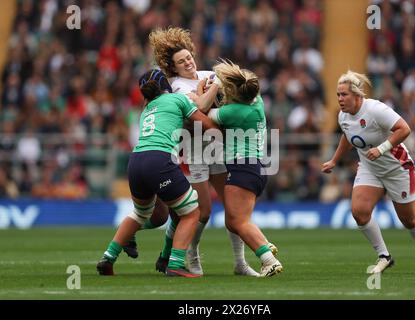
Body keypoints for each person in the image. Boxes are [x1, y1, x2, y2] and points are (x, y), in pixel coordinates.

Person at [126, 27, 274, 277]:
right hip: (193, 149)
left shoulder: (207, 74)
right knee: (201, 210)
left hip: (218, 148)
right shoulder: (176, 86)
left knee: (232, 209)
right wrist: (212, 91)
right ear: (172, 68)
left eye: (188, 57)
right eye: (181, 61)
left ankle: (239, 263)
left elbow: (237, 95)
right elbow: (200, 110)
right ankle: (189, 256)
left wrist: (210, 91)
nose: (188, 62)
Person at [96, 69, 218, 277]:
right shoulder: (177, 99)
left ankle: (108, 257)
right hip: (160, 160)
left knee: (142, 214)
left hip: (136, 161)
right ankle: (175, 264)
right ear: (166, 86)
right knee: (191, 212)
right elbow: (207, 125)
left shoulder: (146, 110)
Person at [322, 70, 415, 274]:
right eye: (338, 94)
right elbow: (347, 136)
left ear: (357, 95)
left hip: (397, 168)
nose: (340, 99)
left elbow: (404, 128)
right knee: (359, 213)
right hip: (370, 168)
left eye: (344, 94)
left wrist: (381, 149)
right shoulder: (343, 116)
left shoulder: (375, 109)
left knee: (409, 220)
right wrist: (334, 160)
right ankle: (384, 256)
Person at [207, 59, 283, 277]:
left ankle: (268, 259)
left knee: (238, 221)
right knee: (234, 221)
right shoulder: (256, 101)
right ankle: (264, 244)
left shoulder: (233, 112)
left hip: (242, 167)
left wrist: (206, 91)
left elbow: (203, 113)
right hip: (255, 168)